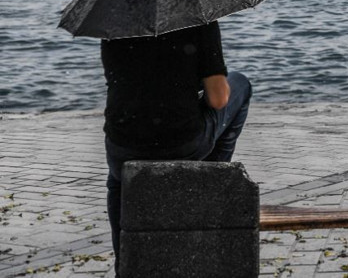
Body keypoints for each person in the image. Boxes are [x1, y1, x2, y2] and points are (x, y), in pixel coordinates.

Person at [101, 20, 251, 274]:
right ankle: (209, 176)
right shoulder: (199, 22)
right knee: (241, 84)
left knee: (120, 176)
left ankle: (125, 262)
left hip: (123, 146)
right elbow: (218, 100)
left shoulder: (115, 23)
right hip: (182, 143)